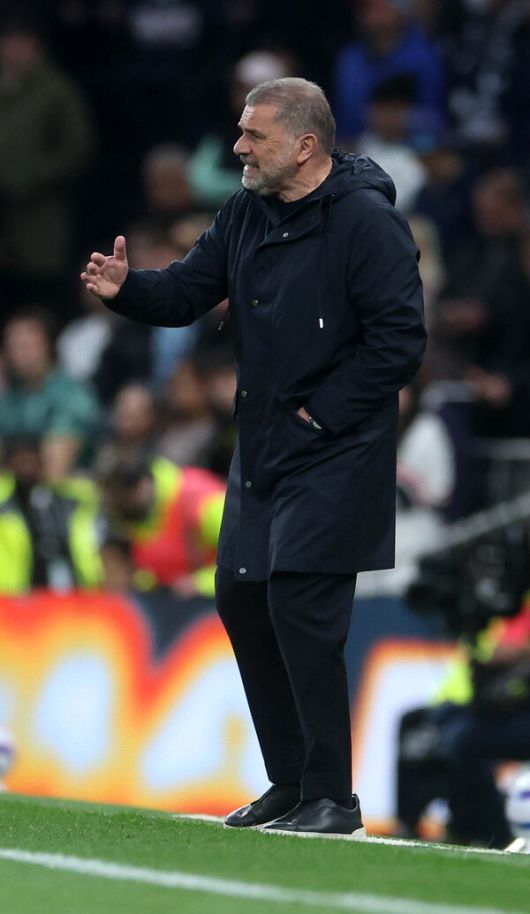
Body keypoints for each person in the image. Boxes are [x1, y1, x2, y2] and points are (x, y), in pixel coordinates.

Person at [82, 77, 426, 837]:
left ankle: (333, 797)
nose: (237, 147)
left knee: (301, 606)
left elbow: (401, 340)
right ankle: (291, 782)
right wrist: (127, 289)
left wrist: (321, 413)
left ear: (304, 146)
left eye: (253, 135)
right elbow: (185, 292)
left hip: (335, 448)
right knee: (243, 599)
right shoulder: (245, 212)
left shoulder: (366, 221)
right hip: (264, 443)